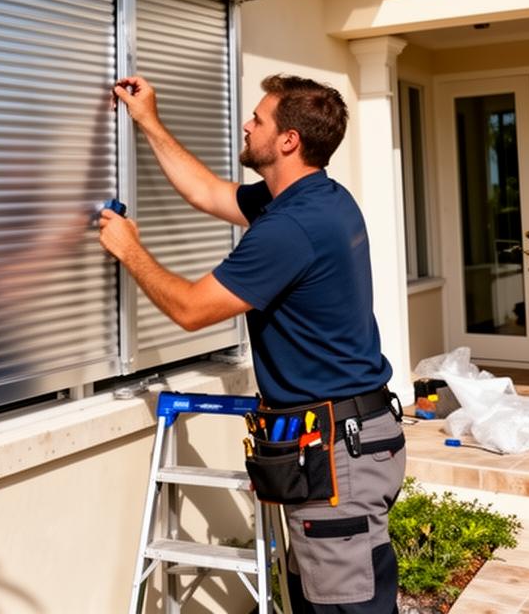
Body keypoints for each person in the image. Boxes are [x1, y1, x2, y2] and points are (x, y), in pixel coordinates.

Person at [100, 73, 406, 614]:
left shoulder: (293, 226)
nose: (247, 123)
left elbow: (192, 309)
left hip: (337, 453)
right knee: (321, 602)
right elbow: (207, 192)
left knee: (344, 608)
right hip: (336, 441)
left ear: (288, 140)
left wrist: (131, 252)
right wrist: (147, 119)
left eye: (259, 119)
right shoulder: (316, 198)